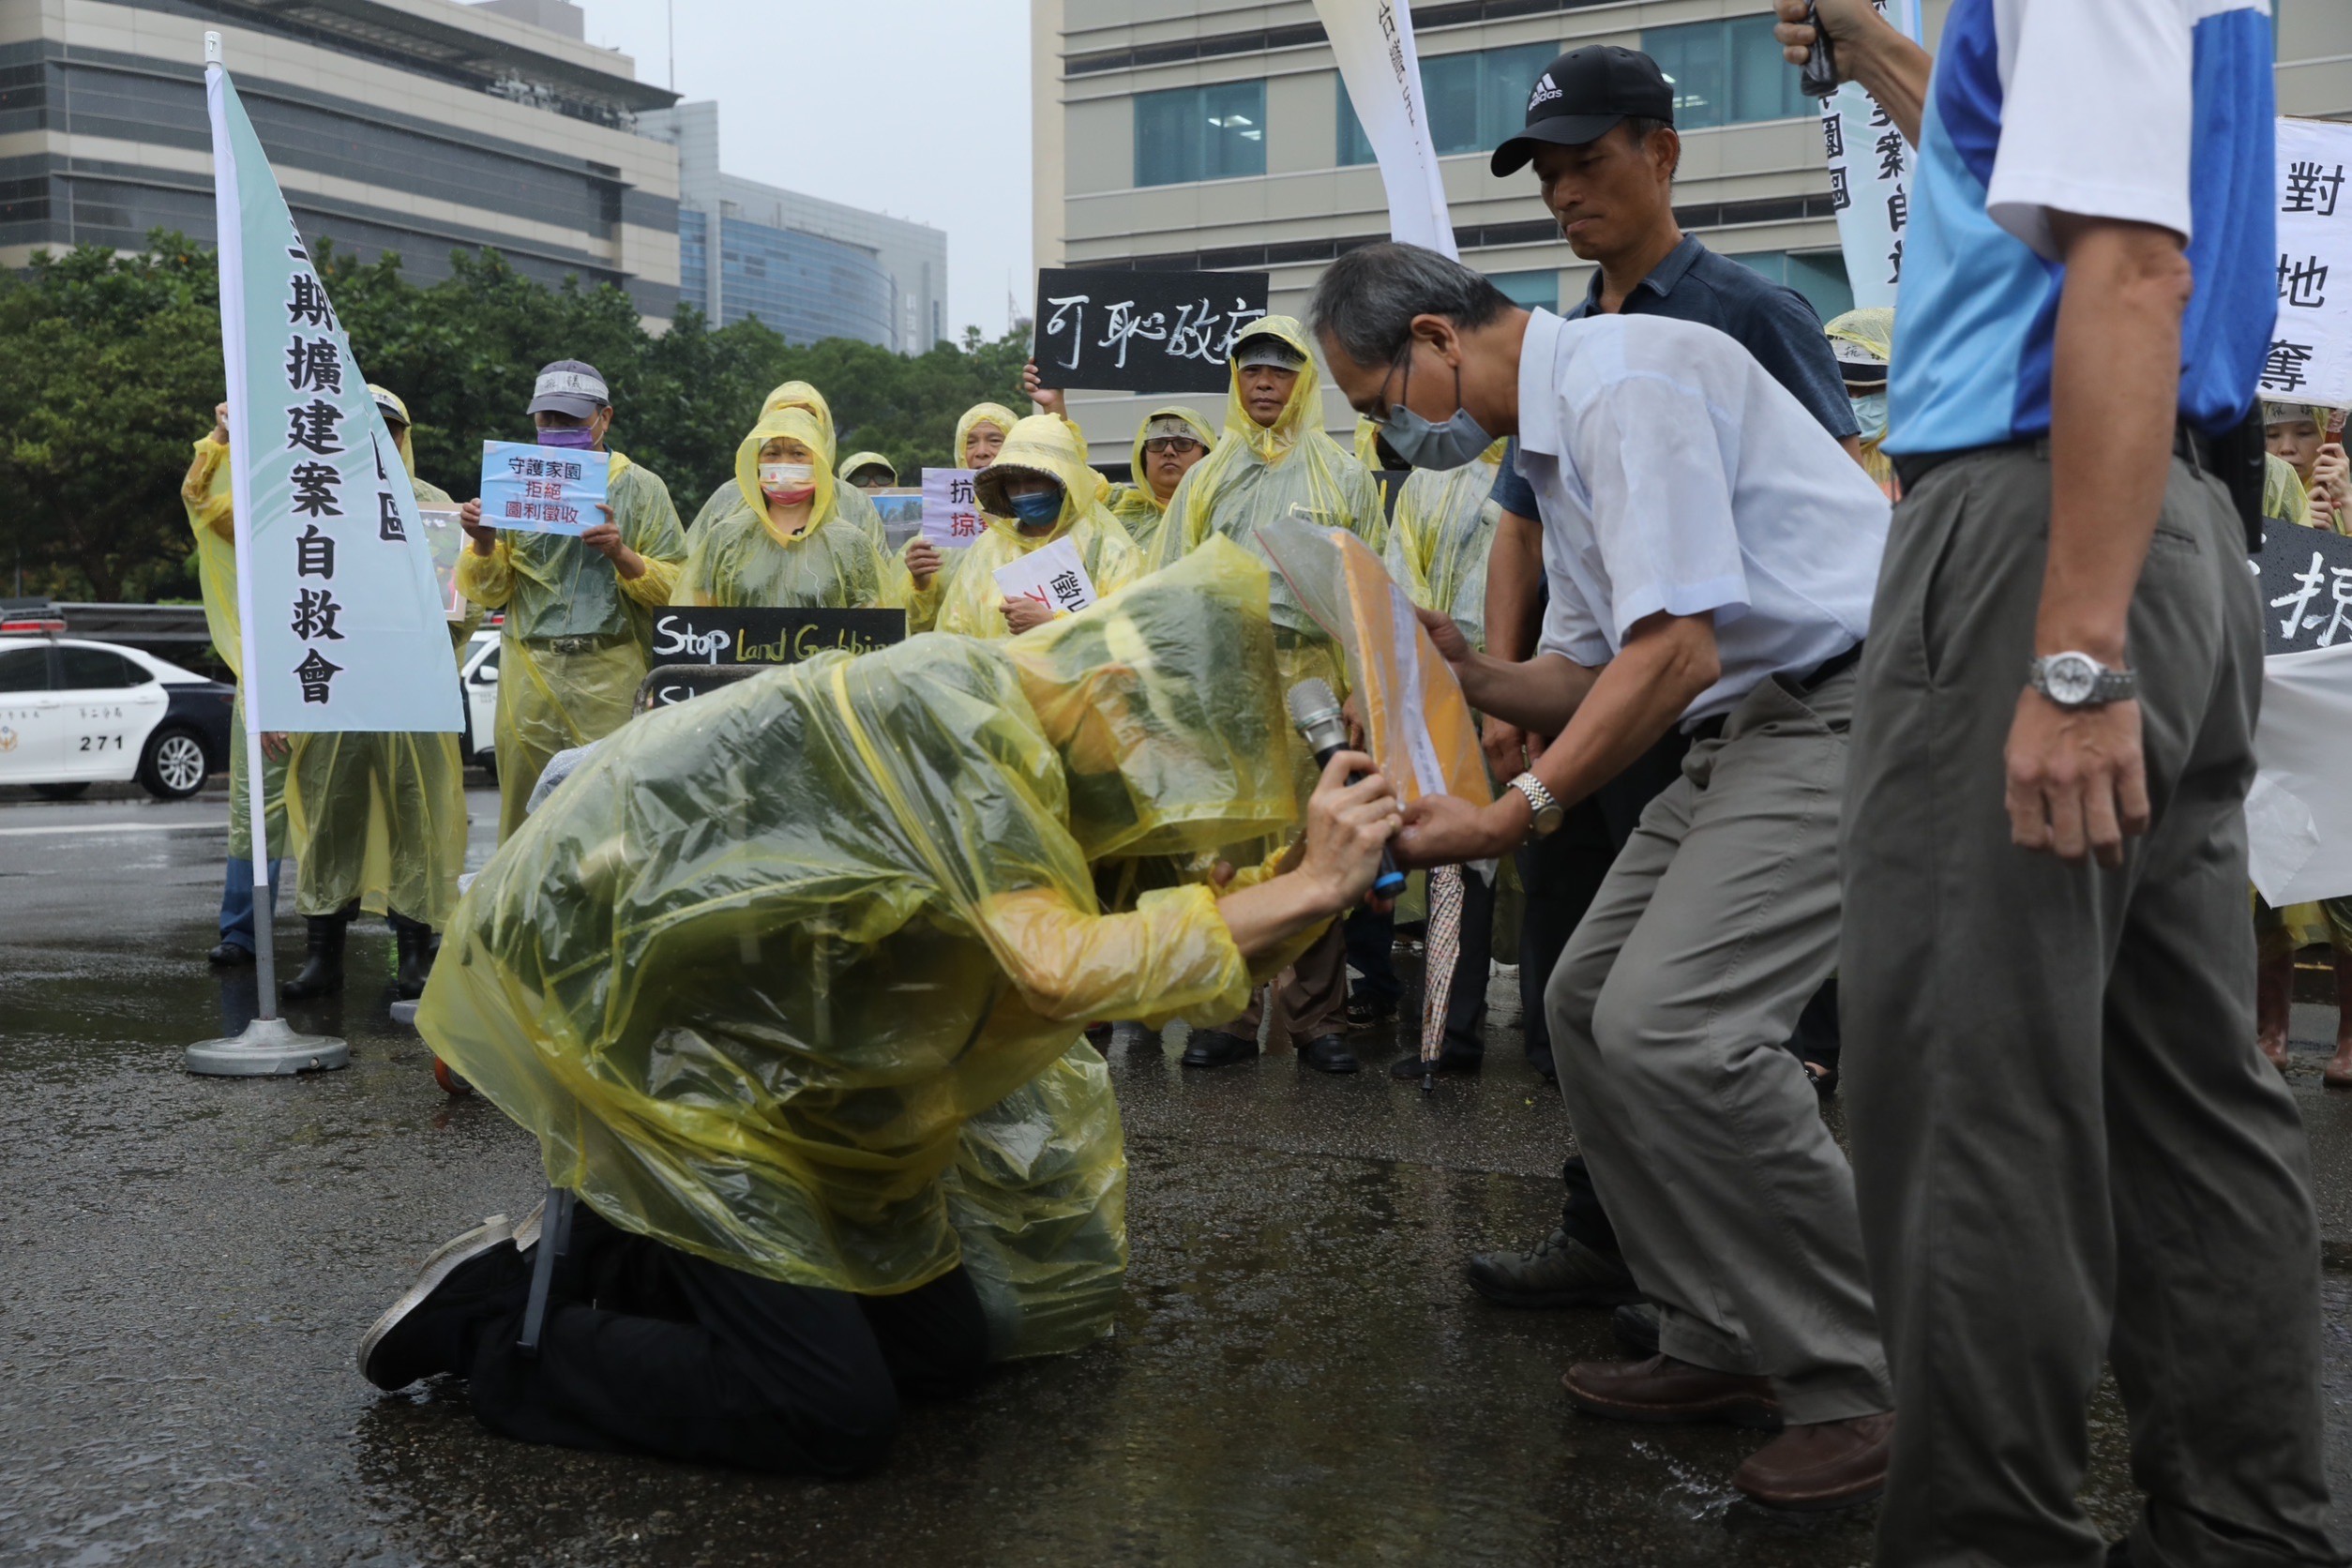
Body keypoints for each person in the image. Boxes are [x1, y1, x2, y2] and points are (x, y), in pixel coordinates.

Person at [365, 539, 1404, 1475]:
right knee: (825, 1412)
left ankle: (612, 1249)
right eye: (1180, 758)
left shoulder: (1062, 754)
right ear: (1121, 688)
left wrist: (1319, 877)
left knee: (944, 1349)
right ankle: (498, 1330)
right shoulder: (965, 715)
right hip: (665, 1039)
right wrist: (1311, 884)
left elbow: (1180, 941)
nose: (1174, 792)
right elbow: (1061, 969)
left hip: (789, 1053)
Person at [1779, 0, 2340, 1561]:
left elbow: (2126, 261)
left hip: (2042, 519)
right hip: (2151, 510)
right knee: (2177, 1086)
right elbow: (2043, 196)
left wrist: (2073, 657)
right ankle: (2239, 1528)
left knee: (1964, 1082)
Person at [1311, 240, 1895, 1510]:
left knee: (1682, 1027)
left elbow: (1674, 652)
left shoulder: (1629, 384)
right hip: (1749, 725)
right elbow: (1587, 672)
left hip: (1853, 708)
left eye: (1376, 403)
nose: (1390, 436)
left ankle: (1862, 1377)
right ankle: (1716, 1328)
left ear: (1433, 340)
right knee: (1581, 1008)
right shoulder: (1553, 442)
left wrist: (1515, 809)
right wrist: (1459, 669)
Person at [1468, 40, 1863, 1314]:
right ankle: (1625, 1242)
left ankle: (1792, 1301)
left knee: (1721, 1007)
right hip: (1614, 708)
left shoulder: (1751, 312)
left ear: (1664, 153)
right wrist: (1504, 684)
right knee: (1588, 983)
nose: (1567, 195)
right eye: (1548, 178)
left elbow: (1840, 500)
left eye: (1590, 164)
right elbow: (1523, 527)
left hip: (1746, 703)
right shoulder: (1566, 339)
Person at [1150, 316, 1392, 1074]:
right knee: (1224, 850)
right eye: (1251, 370)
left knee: (1313, 842)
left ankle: (1319, 1019)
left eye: (1280, 370)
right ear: (1235, 380)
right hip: (1228, 676)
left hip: (1315, 674)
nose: (1264, 383)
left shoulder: (1344, 475)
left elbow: (1371, 587)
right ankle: (1226, 1014)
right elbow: (1169, 584)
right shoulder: (1206, 475)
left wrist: (1367, 684)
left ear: (1303, 381)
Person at [279, 387, 475, 1001]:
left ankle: (415, 952)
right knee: (329, 811)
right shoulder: (312, 504)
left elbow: (461, 607)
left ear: (403, 437)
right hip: (334, 683)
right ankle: (323, 955)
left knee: (416, 815)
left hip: (411, 686)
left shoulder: (434, 511)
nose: (375, 442)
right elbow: (284, 601)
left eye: (386, 431)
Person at [457, 360, 686, 843]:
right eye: (548, 419)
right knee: (526, 814)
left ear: (605, 417)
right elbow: (492, 590)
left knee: (611, 808)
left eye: (572, 419)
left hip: (611, 667)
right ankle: (526, 916)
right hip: (529, 671)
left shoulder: (642, 489)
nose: (558, 430)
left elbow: (676, 589)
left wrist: (621, 554)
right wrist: (482, 541)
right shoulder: (513, 481)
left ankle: (607, 915)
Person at [1380, 437, 1508, 1078]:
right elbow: (1404, 586)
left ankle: (1558, 1042)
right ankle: (1447, 1038)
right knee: (1459, 870)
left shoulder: (1557, 465)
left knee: (1558, 875)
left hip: (1552, 694)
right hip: (1449, 697)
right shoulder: (1431, 484)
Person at [181, 400, 288, 968]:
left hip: (336, 672)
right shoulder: (252, 505)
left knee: (342, 808)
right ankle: (243, 930)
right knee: (257, 811)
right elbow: (200, 499)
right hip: (267, 672)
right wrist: (220, 440)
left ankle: (339, 940)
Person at [935, 415, 1143, 640]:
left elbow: (1132, 633)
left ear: (1063, 481)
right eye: (1013, 483)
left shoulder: (1108, 549)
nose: (1023, 492)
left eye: (1034, 479)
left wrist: (1054, 624)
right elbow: (955, 630)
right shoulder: (988, 549)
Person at [673, 405, 898, 611]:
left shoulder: (852, 543)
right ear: (756, 462)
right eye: (772, 454)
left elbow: (875, 629)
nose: (785, 464)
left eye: (798, 453)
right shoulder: (724, 539)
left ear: (819, 461)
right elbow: (696, 618)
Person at [688, 382, 888, 550]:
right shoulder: (728, 499)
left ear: (825, 431)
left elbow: (879, 585)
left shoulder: (855, 505)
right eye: (784, 415)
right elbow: (691, 576)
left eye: (808, 417)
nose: (795, 424)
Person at [1106, 407, 1214, 557]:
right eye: (1157, 444)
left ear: (1207, 455)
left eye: (1183, 443)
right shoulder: (1115, 506)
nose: (1169, 451)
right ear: (1143, 457)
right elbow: (1070, 477)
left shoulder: (1224, 515)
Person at [1824, 308, 1897, 496]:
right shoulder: (1804, 450)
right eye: (1846, 389)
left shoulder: (1936, 454)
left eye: (1873, 389)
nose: (1856, 402)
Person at [2267, 402, 2348, 532]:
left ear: (2325, 436)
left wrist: (2347, 503)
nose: (2287, 448)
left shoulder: (2345, 503)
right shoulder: (2239, 498)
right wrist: (2302, 529)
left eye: (2303, 433)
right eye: (2272, 435)